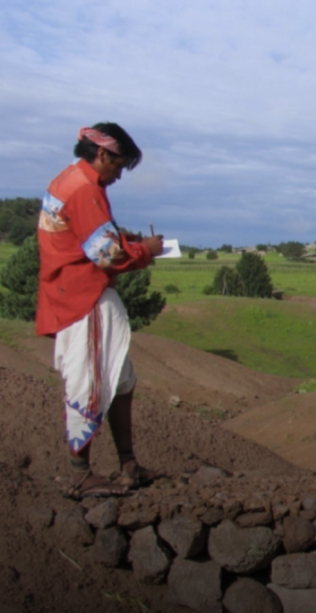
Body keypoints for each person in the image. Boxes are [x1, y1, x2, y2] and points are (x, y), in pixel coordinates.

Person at [36, 123, 165, 499]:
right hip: (83, 296)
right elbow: (106, 254)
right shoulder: (85, 190)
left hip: (71, 291)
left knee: (120, 377)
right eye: (120, 164)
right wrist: (147, 251)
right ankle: (81, 473)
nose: (120, 174)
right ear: (103, 155)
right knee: (89, 379)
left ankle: (128, 466)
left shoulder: (68, 181)